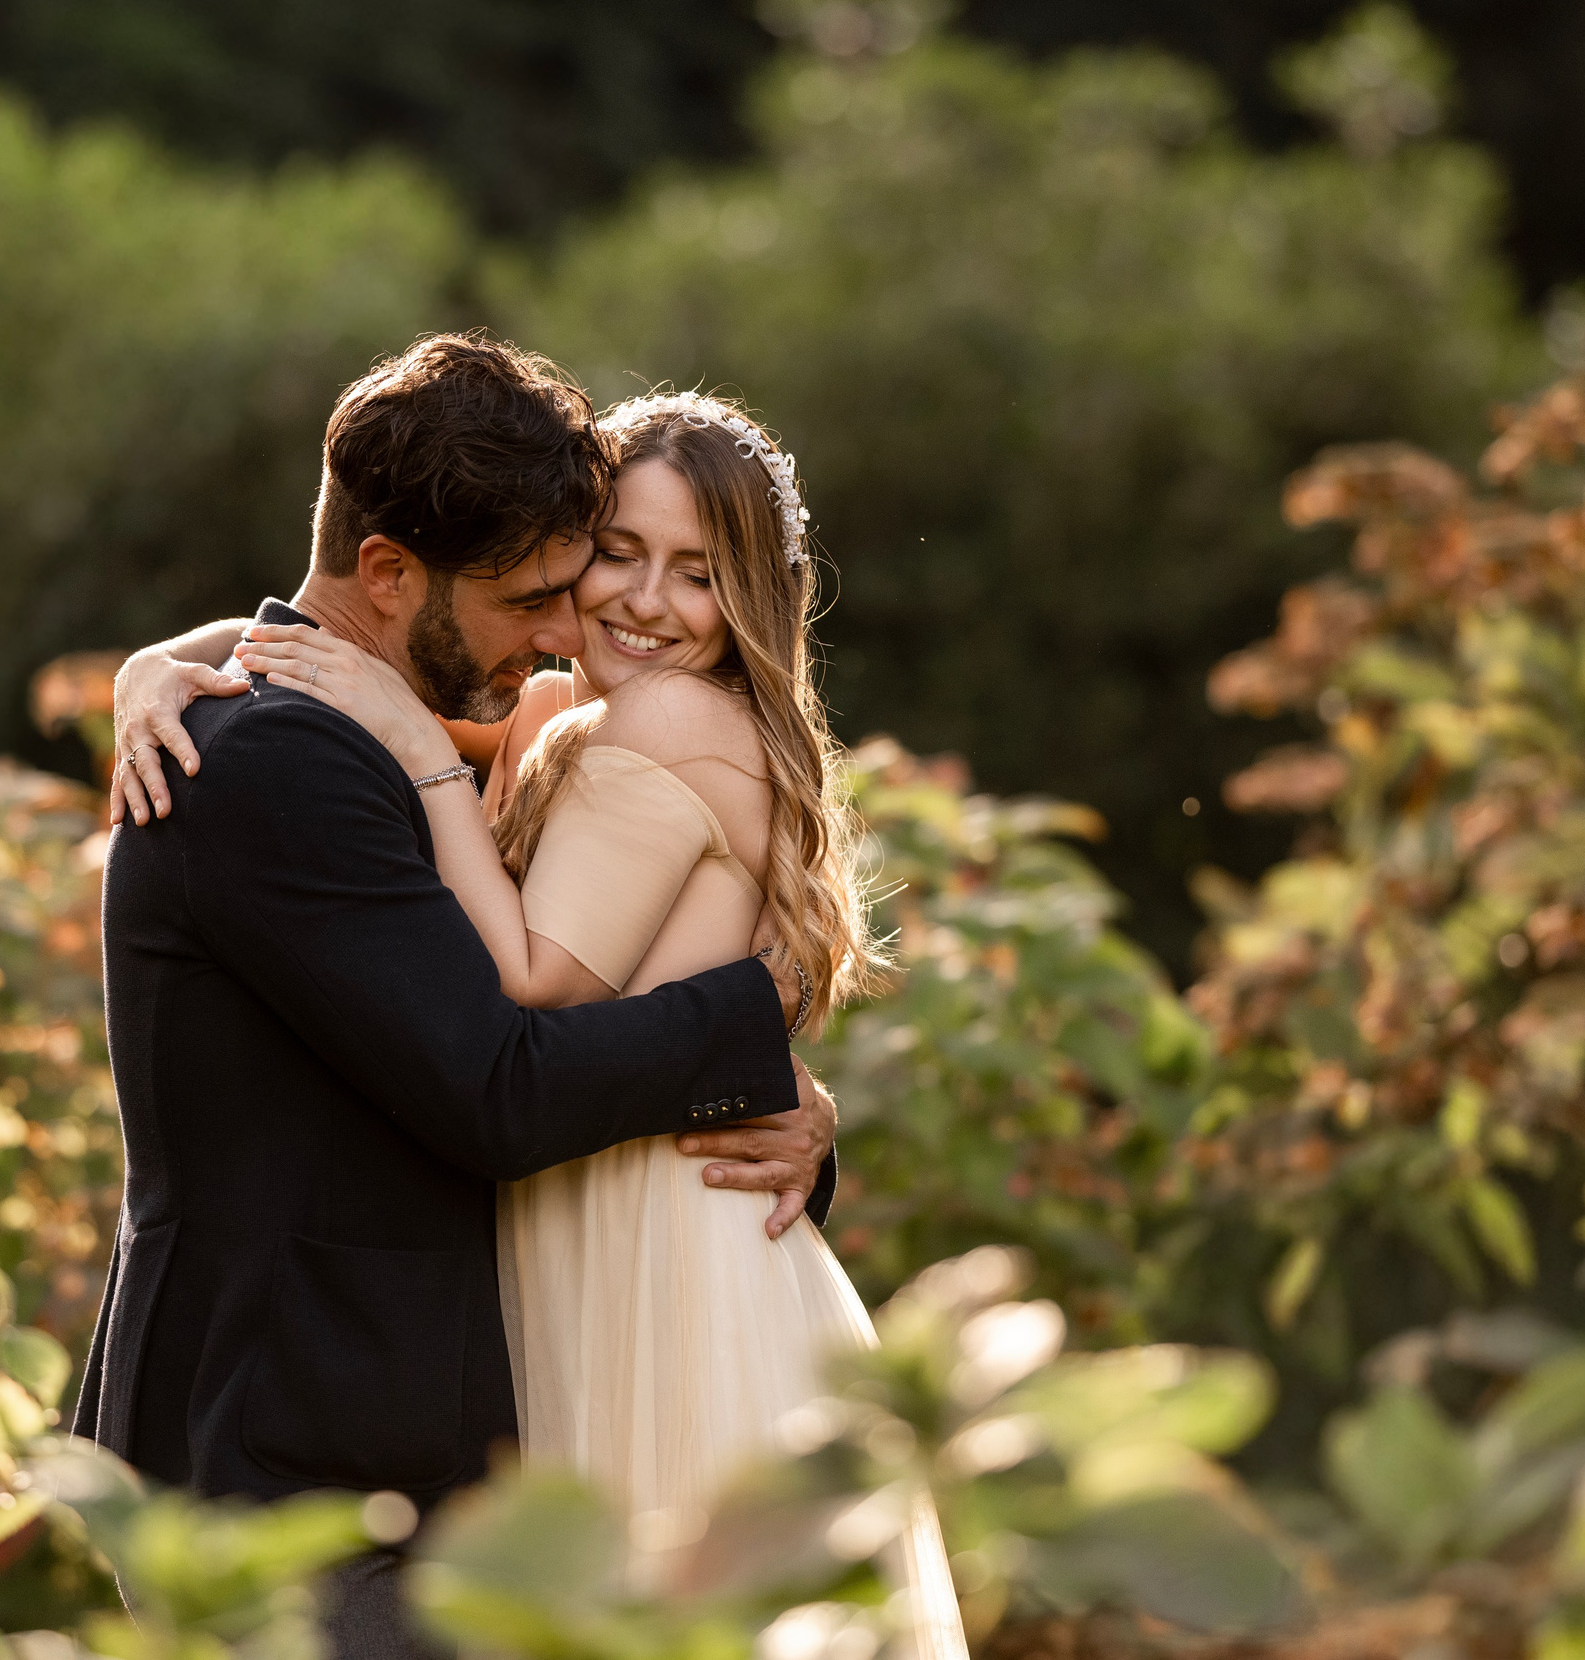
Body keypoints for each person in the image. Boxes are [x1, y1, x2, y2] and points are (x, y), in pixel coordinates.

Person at [112, 388, 968, 1660]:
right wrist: (747, 1031)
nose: (589, 615)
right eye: (575, 575)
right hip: (289, 1427)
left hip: (602, 1290)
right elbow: (505, 1076)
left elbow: (531, 1011)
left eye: (681, 571)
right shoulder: (310, 753)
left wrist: (774, 1089)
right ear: (397, 577)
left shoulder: (581, 716)